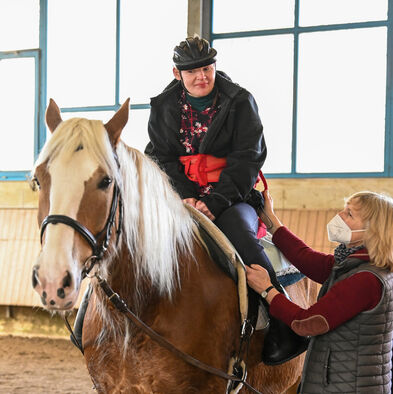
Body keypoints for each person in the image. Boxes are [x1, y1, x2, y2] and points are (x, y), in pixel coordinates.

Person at [144, 34, 308, 365]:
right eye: (192, 72)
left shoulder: (240, 101)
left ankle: (283, 327)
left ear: (215, 66)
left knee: (242, 239)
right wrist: (188, 197)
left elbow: (248, 159)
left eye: (207, 68)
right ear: (178, 74)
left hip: (234, 197)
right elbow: (162, 158)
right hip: (182, 197)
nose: (201, 76)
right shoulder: (163, 107)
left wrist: (214, 203)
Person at [246, 190, 393, 393]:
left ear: (372, 231)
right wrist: (272, 221)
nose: (340, 216)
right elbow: (309, 260)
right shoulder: (359, 265)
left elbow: (307, 323)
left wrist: (267, 290)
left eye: (349, 214)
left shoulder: (365, 280)